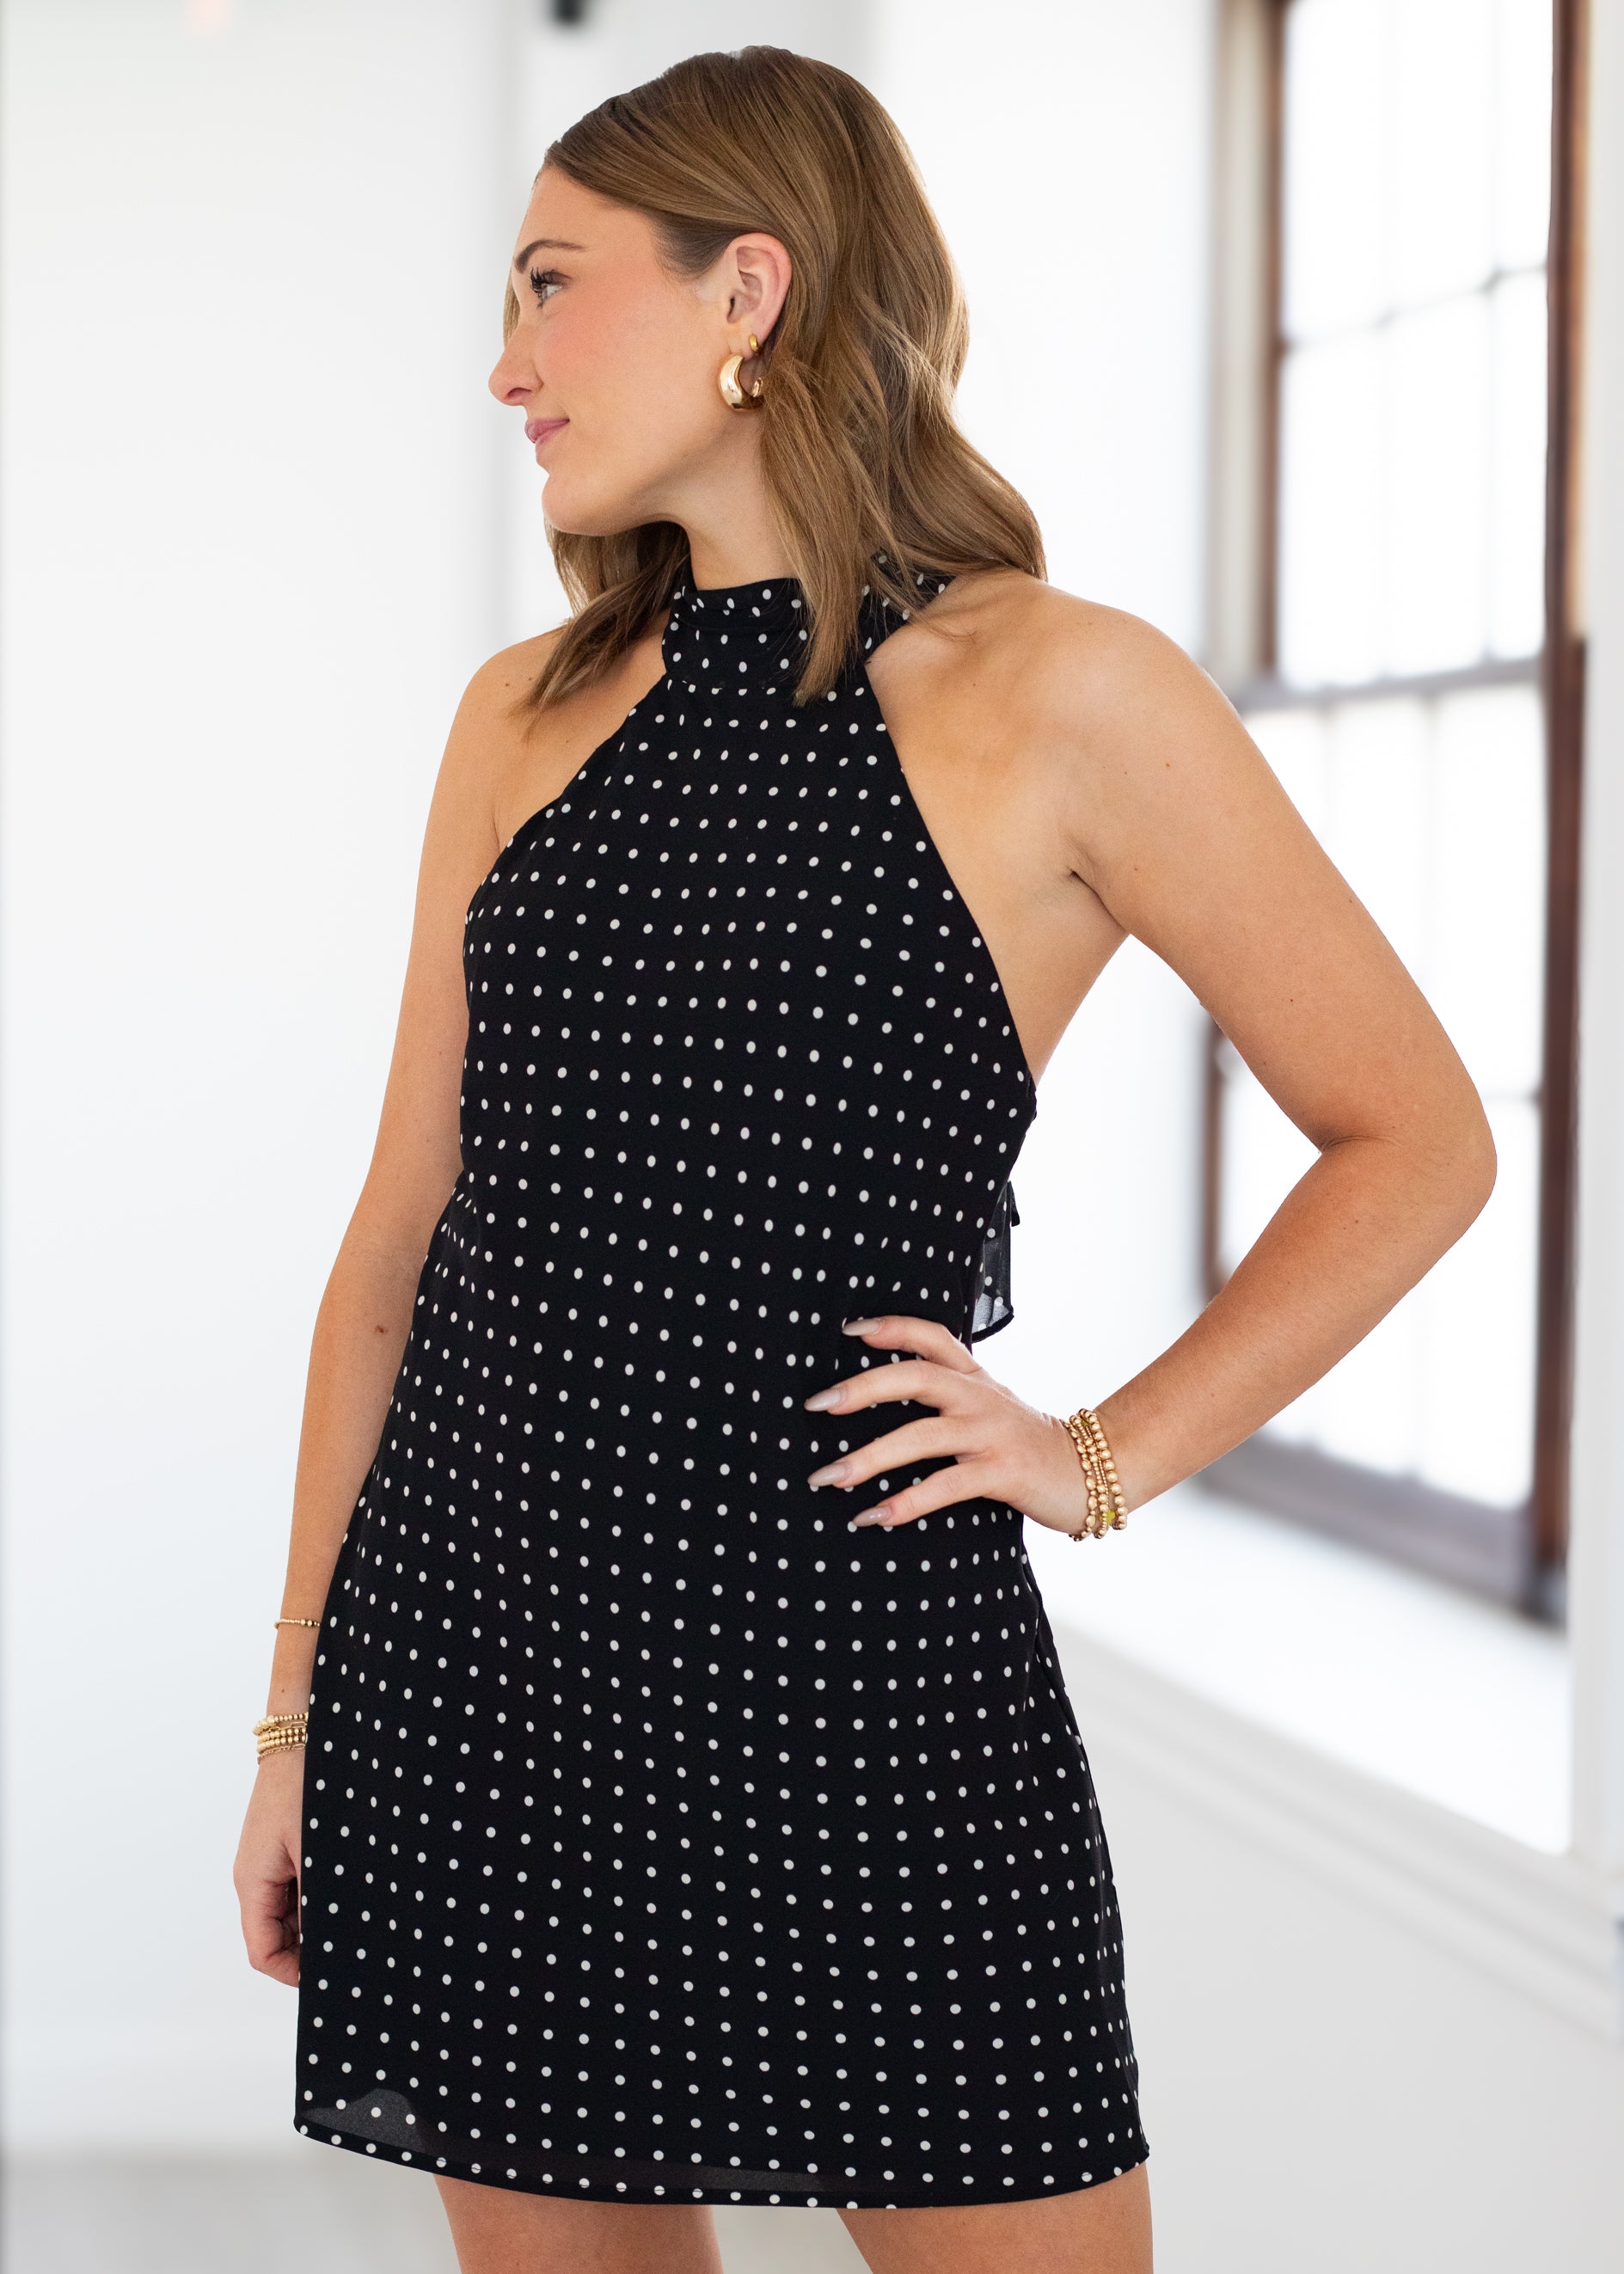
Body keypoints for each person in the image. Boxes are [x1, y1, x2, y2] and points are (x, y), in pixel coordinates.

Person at [233, 43, 1493, 2274]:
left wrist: (1100, 1450)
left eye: (548, 286)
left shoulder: (1066, 694)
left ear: (752, 286)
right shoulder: (521, 713)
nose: (504, 366)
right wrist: (296, 1712)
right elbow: (395, 1250)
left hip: (860, 1679)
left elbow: (1412, 1139)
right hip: (480, 1660)